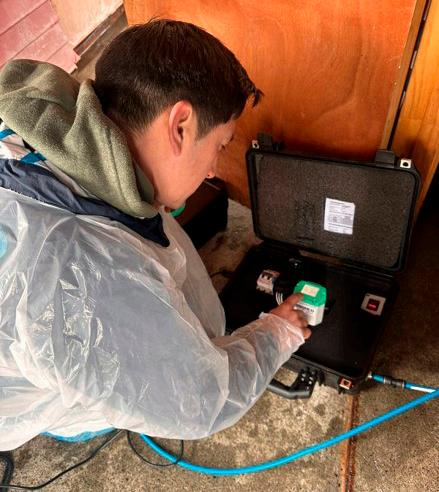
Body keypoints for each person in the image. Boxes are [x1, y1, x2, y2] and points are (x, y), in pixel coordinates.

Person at [0, 19, 309, 451]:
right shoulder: (90, 276)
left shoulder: (41, 121)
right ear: (180, 125)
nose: (214, 171)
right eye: (219, 146)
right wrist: (278, 333)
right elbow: (198, 399)